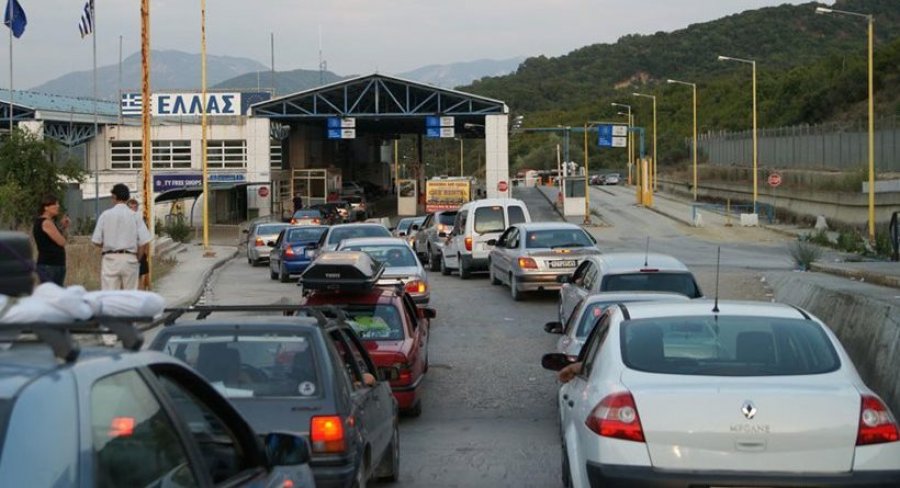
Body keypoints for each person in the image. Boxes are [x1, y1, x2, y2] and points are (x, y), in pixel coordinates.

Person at [91, 184, 151, 290]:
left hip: (110, 258)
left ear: (114, 197)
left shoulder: (105, 215)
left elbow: (96, 240)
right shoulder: (135, 216)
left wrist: (109, 244)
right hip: (130, 257)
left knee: (110, 294)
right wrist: (138, 258)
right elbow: (144, 241)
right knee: (130, 294)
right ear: (128, 198)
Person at [33, 195, 69, 286]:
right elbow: (62, 242)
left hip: (53, 264)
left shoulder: (49, 222)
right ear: (46, 207)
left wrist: (63, 227)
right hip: (50, 265)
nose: (58, 206)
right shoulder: (46, 222)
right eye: (55, 204)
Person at [127, 199, 151, 291]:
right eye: (130, 207)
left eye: (135, 207)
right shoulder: (124, 220)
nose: (133, 209)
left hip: (139, 252)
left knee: (139, 277)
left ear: (137, 208)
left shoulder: (140, 220)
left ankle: (140, 294)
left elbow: (145, 238)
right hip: (128, 253)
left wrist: (145, 252)